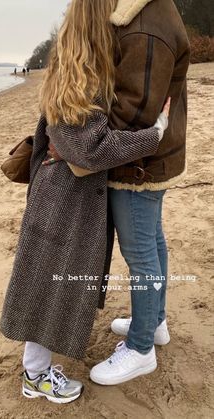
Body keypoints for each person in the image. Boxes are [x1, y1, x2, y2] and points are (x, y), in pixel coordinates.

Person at [0, 0, 170, 404]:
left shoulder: (73, 62)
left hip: (61, 196)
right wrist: (155, 134)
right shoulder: (81, 70)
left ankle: (37, 370)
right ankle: (36, 375)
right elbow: (88, 149)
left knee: (46, 279)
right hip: (62, 200)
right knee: (45, 281)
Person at [46, 0, 190, 386]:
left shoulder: (144, 22)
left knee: (141, 252)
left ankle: (142, 348)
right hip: (150, 159)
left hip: (136, 164)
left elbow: (135, 109)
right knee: (152, 243)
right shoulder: (146, 13)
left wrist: (84, 147)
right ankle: (154, 323)